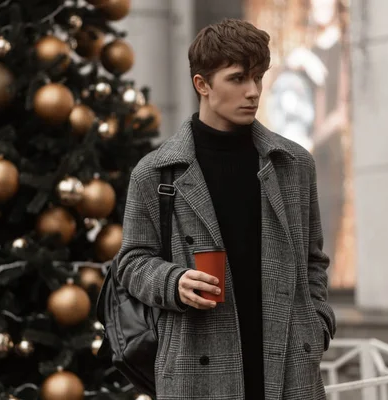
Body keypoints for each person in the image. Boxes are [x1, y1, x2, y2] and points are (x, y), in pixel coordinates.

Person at [116, 18, 336, 400]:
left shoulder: (293, 164)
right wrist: (173, 282)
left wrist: (316, 327)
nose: (252, 92)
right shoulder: (156, 172)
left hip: (288, 366)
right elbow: (131, 261)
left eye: (258, 78)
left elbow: (313, 260)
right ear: (202, 84)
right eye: (237, 79)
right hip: (195, 364)